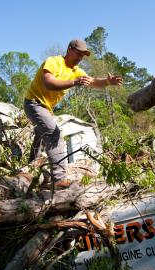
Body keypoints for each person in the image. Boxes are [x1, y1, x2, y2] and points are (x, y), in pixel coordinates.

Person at [24, 39, 123, 189]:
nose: (80, 58)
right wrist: (74, 82)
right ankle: (58, 179)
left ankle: (29, 171)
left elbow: (93, 82)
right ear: (69, 49)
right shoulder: (53, 62)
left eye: (83, 55)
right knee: (54, 134)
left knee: (40, 139)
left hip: (46, 108)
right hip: (34, 103)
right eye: (78, 53)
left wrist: (108, 82)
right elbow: (49, 83)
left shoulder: (76, 71)